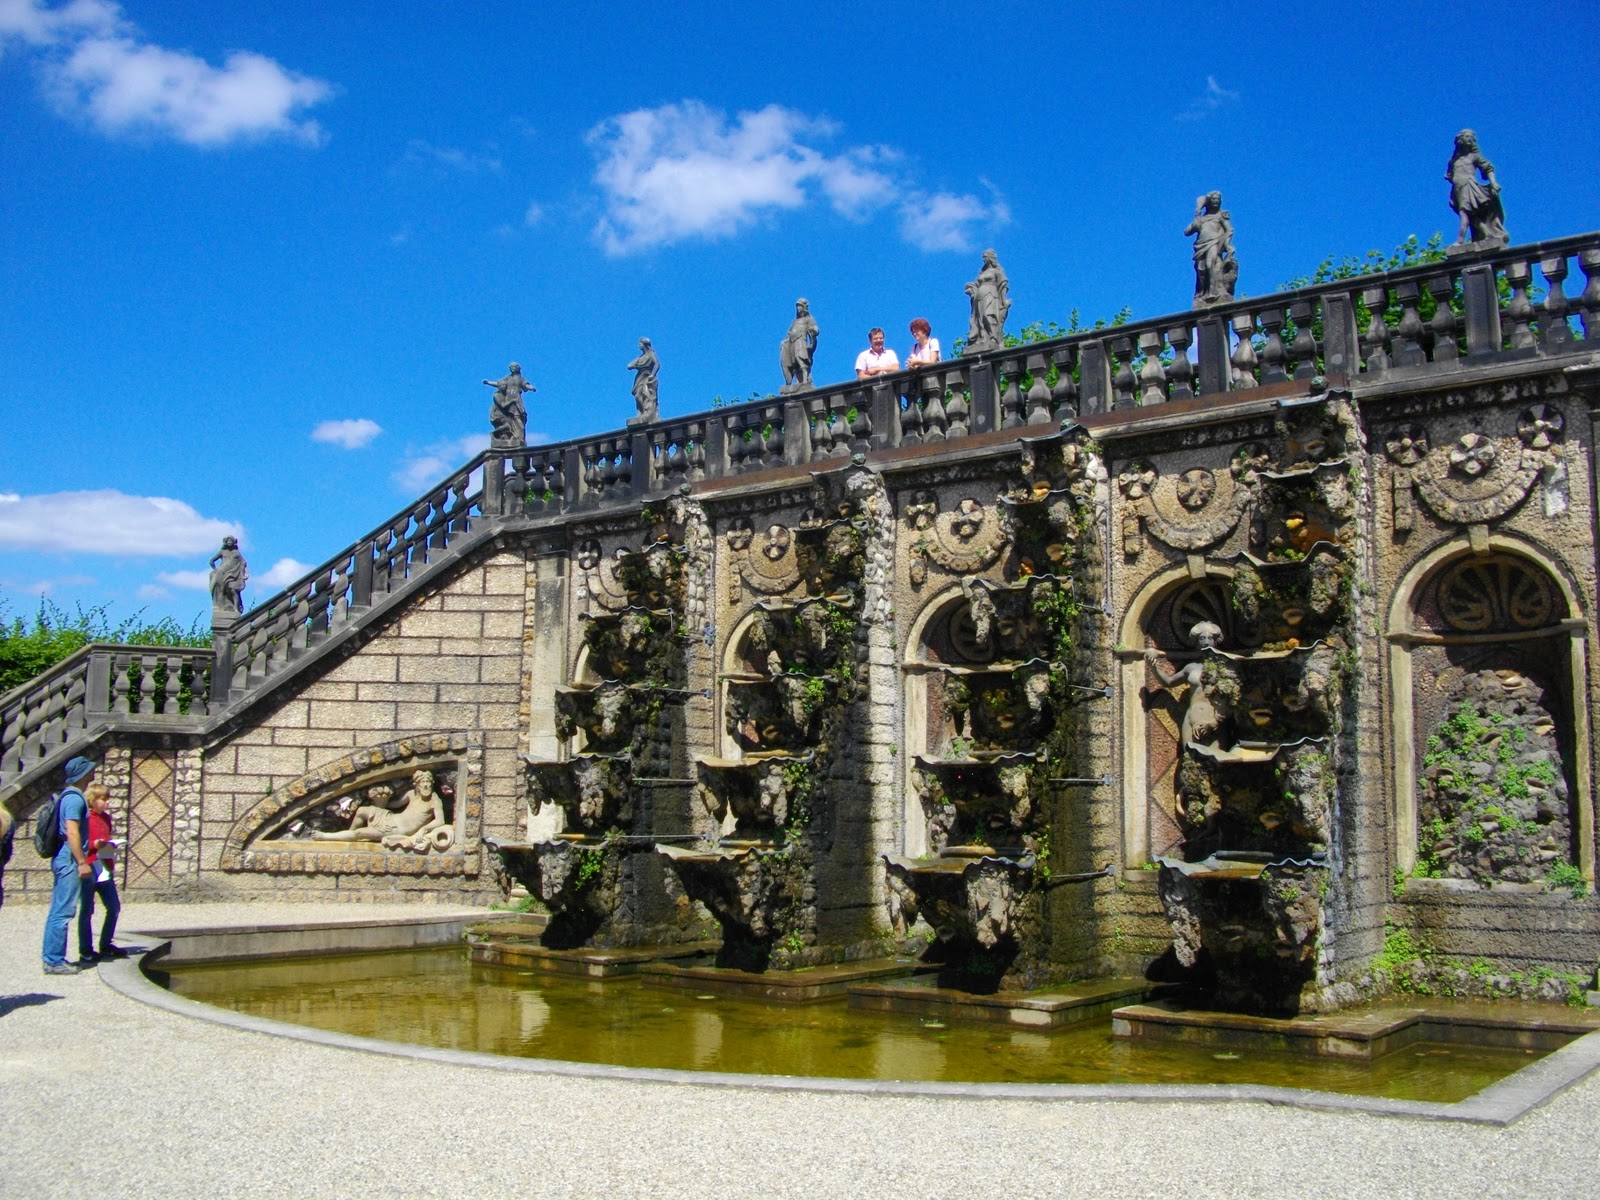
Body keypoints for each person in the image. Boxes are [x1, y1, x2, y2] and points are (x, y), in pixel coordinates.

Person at [41, 755, 96, 975]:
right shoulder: (74, 798)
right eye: (90, 769)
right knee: (63, 910)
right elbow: (72, 831)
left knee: (59, 909)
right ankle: (54, 960)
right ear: (82, 774)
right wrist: (81, 861)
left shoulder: (70, 796)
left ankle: (53, 958)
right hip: (69, 858)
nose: (94, 772)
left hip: (65, 857)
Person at [313, 769, 448, 843]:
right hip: (390, 817)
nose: (426, 785)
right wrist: (380, 799)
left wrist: (423, 830)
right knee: (362, 811)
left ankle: (326, 837)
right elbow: (394, 804)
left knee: (360, 832)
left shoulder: (434, 801)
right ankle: (349, 837)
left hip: (395, 830)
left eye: (428, 782)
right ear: (417, 785)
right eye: (422, 782)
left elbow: (440, 821)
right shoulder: (412, 794)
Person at [76, 783, 125, 964]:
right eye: (103, 799)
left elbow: (104, 840)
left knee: (113, 907)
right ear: (92, 800)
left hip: (104, 867)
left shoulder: (106, 818)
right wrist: (94, 845)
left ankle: (106, 944)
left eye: (107, 799)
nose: (107, 802)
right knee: (87, 911)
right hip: (90, 867)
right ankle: (86, 950)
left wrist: (110, 845)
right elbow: (80, 843)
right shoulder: (85, 819)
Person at [1446, 129, 1508, 246]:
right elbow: (1449, 175)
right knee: (1472, 216)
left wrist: (1493, 182)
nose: (1470, 139)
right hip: (1458, 189)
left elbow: (1488, 168)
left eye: (1471, 137)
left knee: (1464, 213)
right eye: (1467, 136)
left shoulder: (1474, 156)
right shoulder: (1453, 160)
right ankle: (1486, 233)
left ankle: (1459, 240)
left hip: (1469, 187)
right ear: (1460, 140)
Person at [1185, 192, 1236, 307]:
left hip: (1214, 243)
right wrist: (1196, 219)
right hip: (1201, 246)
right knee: (1201, 270)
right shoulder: (1202, 219)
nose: (1216, 201)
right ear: (1209, 202)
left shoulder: (1221, 216)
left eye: (1218, 199)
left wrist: (1226, 244)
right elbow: (1187, 232)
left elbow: (1229, 230)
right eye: (1214, 199)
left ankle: (1214, 293)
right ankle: (1203, 293)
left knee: (1210, 264)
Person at [964, 250, 1011, 353]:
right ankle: (983, 339)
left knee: (988, 316)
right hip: (980, 297)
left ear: (990, 258)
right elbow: (976, 284)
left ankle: (994, 338)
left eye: (985, 257)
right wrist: (970, 288)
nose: (984, 259)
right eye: (983, 257)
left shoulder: (997, 271)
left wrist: (1003, 300)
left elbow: (1003, 285)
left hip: (991, 294)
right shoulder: (982, 273)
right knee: (979, 319)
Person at [483, 363, 535, 448]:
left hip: (516, 398)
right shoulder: (508, 378)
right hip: (509, 399)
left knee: (519, 415)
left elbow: (525, 385)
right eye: (510, 367)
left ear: (518, 368)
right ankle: (514, 435)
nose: (512, 369)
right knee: (512, 417)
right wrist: (488, 382)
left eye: (513, 367)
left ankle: (519, 436)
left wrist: (531, 387)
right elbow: (498, 383)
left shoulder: (520, 378)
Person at [779, 298, 820, 392]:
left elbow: (815, 328)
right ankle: (797, 381)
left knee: (800, 358)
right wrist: (784, 342)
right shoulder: (795, 321)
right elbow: (789, 333)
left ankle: (805, 380)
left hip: (801, 342)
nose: (798, 308)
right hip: (793, 343)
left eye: (800, 306)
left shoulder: (808, 319)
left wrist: (814, 331)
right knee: (793, 363)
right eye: (797, 306)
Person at [209, 536, 249, 616]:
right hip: (222, 573)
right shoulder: (222, 552)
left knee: (233, 590)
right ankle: (221, 608)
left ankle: (235, 608)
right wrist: (215, 569)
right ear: (226, 542)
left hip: (233, 574)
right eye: (228, 540)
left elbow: (243, 562)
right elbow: (211, 560)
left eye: (231, 540)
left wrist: (245, 572)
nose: (230, 542)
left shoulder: (236, 553)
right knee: (221, 590)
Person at [627, 337, 660, 424]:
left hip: (647, 376)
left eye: (640, 343)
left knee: (643, 395)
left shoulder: (651, 355)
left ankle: (646, 413)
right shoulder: (640, 357)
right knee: (637, 396)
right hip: (640, 377)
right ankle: (641, 413)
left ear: (644, 344)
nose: (639, 345)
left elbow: (657, 364)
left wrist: (652, 374)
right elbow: (629, 366)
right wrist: (636, 365)